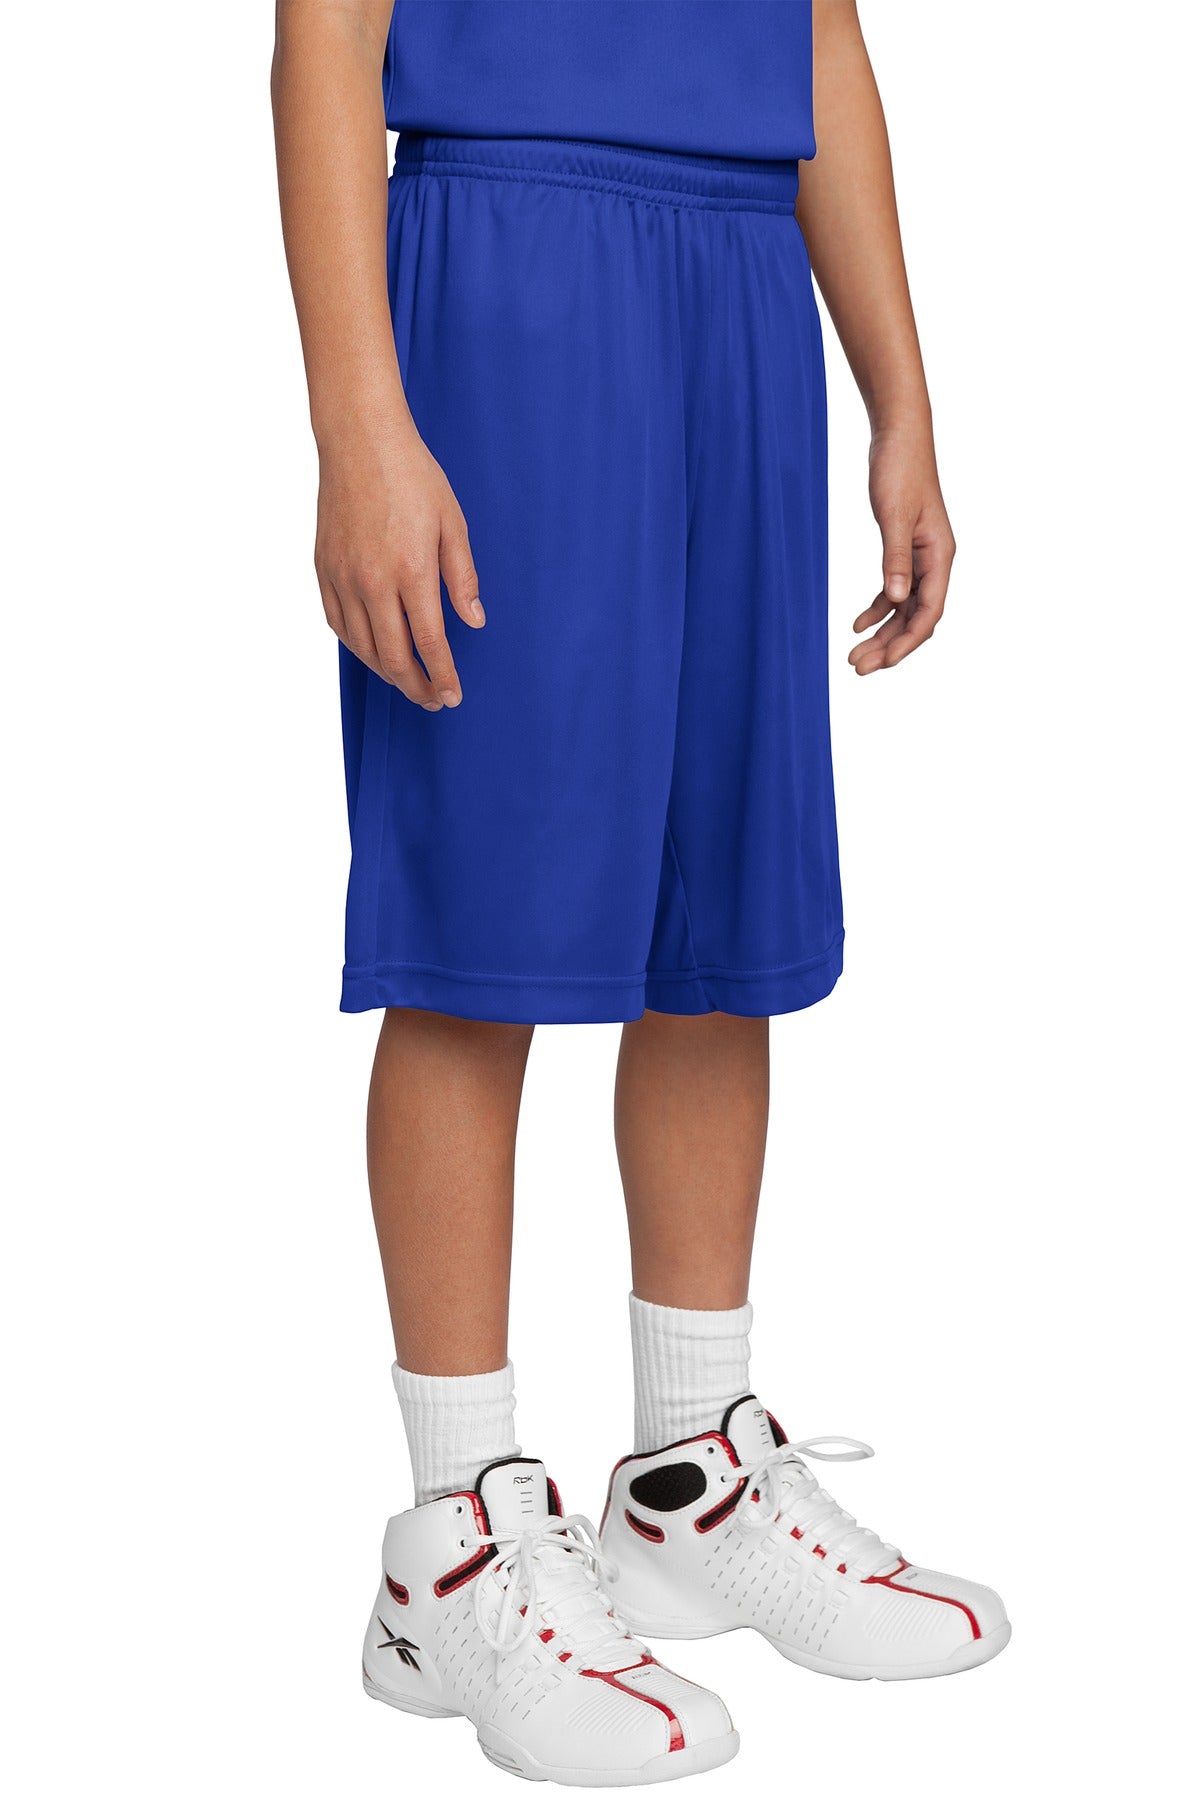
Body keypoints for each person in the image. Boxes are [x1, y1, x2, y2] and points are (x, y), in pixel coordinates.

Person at [272, 0, 1009, 1783]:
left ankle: (688, 1481)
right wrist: (359, 421)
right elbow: (326, 28)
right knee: (489, 918)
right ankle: (453, 1545)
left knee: (717, 921)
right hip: (513, 247)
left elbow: (821, 33)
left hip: (744, 268)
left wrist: (901, 399)